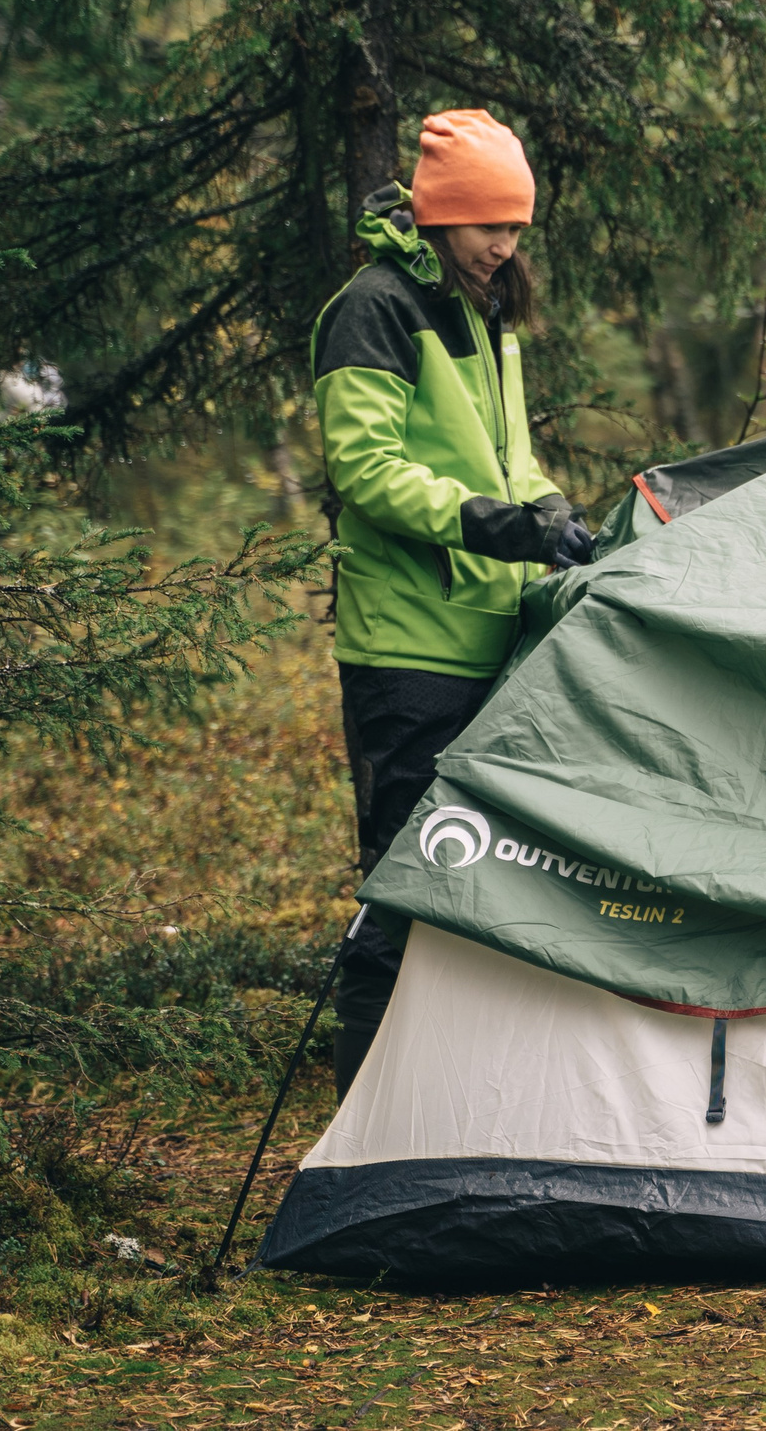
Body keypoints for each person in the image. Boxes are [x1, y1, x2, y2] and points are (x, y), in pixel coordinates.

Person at [309, 108, 596, 1097]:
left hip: (491, 639)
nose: (505, 246)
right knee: (403, 884)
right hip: (410, 651)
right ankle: (363, 1125)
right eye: (489, 227)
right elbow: (367, 470)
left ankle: (449, 1106)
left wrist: (547, 503)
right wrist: (499, 525)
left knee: (482, 884)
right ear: (441, 218)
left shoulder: (482, 309)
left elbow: (505, 456)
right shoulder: (376, 307)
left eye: (516, 227)